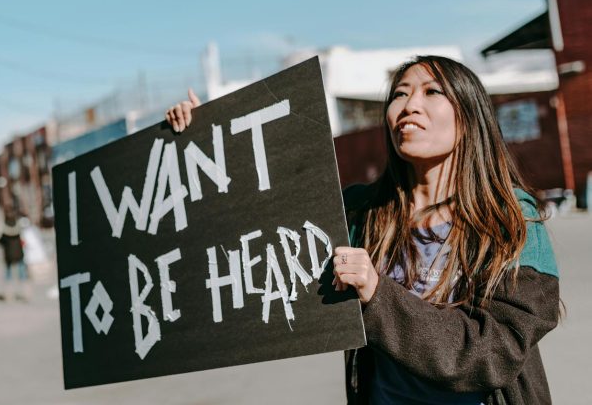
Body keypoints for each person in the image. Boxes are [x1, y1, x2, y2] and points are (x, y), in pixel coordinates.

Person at [165, 56, 560, 404]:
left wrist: (377, 293)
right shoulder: (360, 211)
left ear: (469, 116)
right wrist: (211, 139)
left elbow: (491, 352)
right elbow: (260, 225)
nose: (409, 106)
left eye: (432, 92)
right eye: (399, 94)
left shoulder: (509, 218)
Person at [0, 212, 29, 302]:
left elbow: (0, 242)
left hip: (8, 256)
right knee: (23, 275)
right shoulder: (19, 230)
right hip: (19, 255)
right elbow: (23, 242)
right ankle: (26, 294)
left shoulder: (4, 232)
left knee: (8, 275)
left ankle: (9, 296)